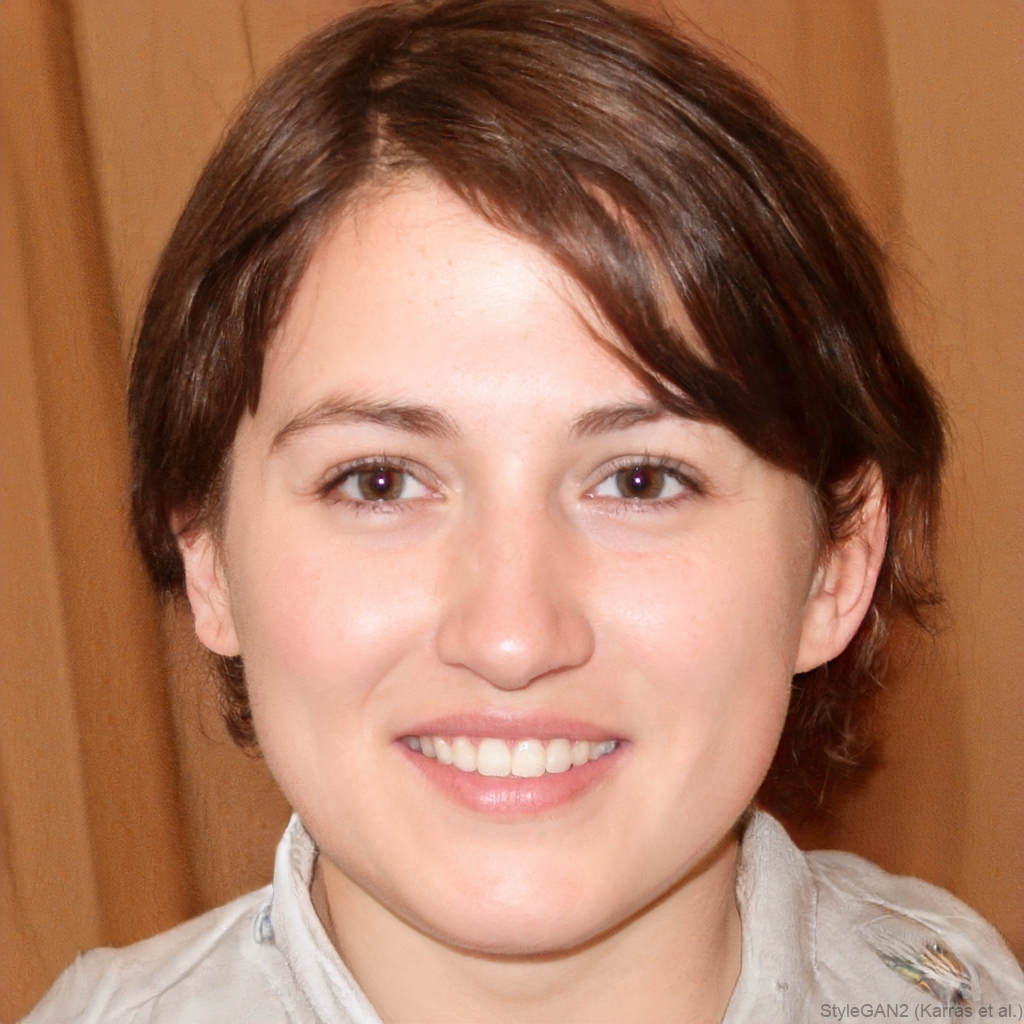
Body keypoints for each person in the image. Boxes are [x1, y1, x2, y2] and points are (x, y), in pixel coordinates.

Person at [25, 0, 1023, 1021]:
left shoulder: (962, 991)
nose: (512, 638)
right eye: (379, 481)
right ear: (208, 560)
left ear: (835, 564)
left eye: (640, 480)